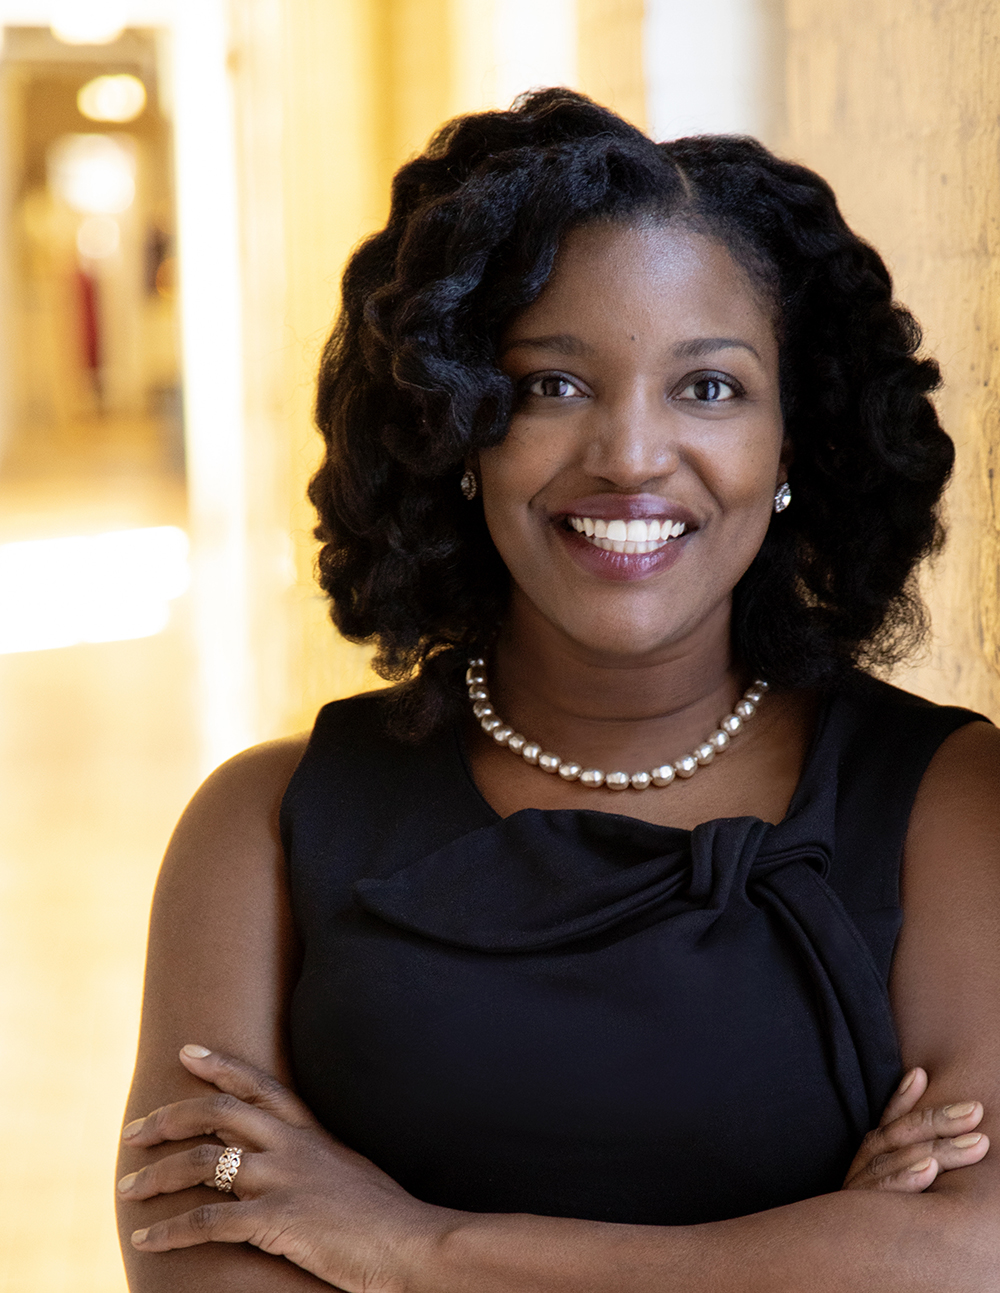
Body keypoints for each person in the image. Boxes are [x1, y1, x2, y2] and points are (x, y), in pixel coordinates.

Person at [115, 90, 1000, 1291]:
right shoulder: (264, 827)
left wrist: (413, 1248)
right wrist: (806, 1254)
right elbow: (206, 1263)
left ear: (794, 444)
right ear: (455, 430)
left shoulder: (950, 804)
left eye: (710, 388)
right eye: (551, 386)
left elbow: (966, 1257)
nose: (630, 456)